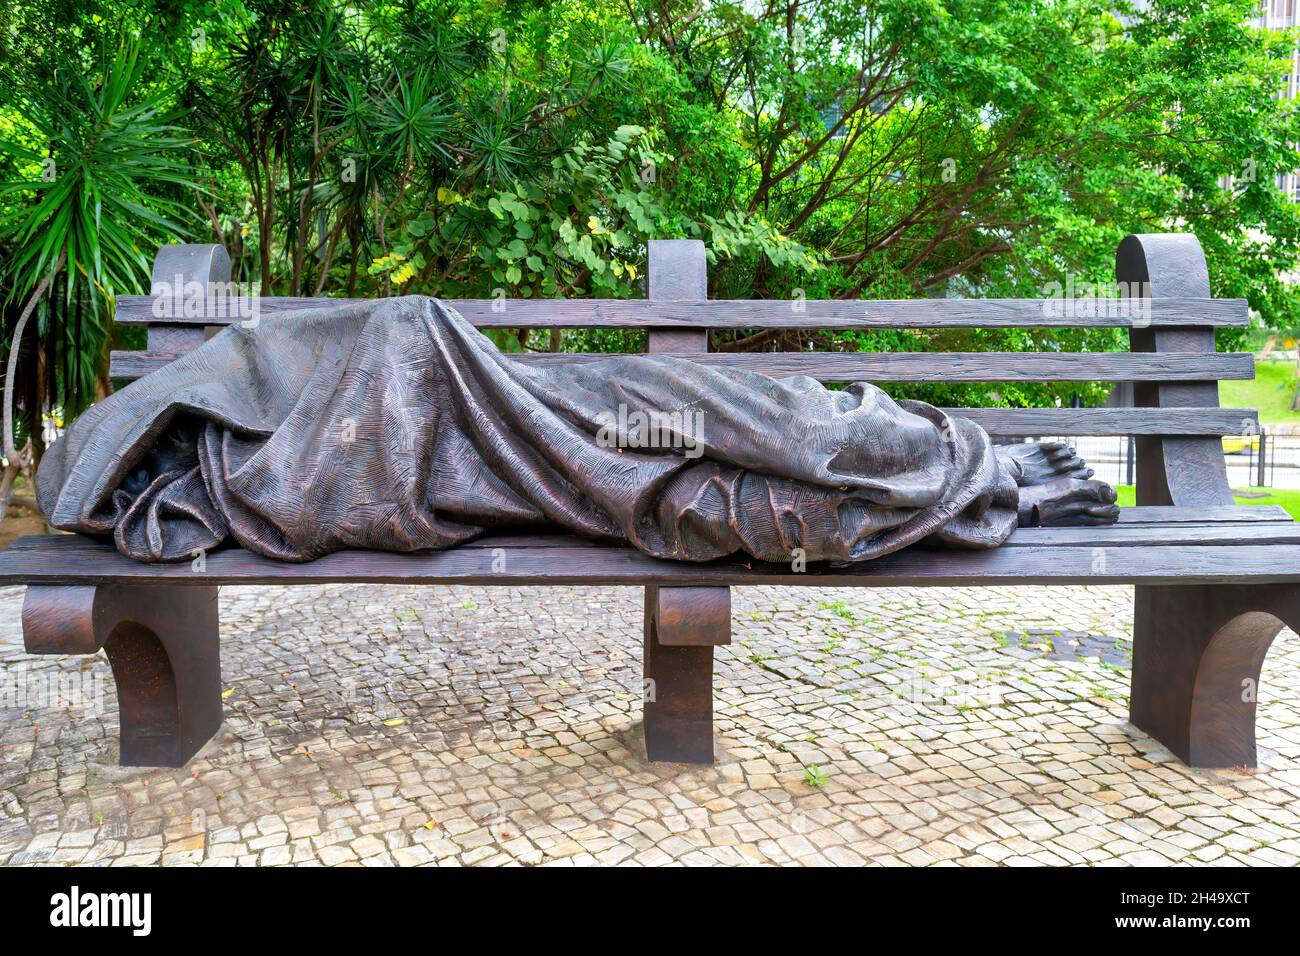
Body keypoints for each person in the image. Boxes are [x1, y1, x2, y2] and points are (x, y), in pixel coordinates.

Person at [36, 297, 1118, 564]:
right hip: (501, 467)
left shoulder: (229, 391)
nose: (158, 460)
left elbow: (384, 342)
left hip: (493, 396)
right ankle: (991, 486)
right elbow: (81, 483)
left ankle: (960, 465)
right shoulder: (232, 486)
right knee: (698, 503)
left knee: (704, 426)